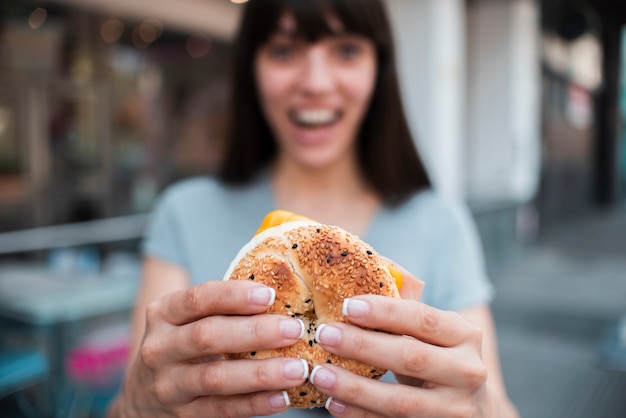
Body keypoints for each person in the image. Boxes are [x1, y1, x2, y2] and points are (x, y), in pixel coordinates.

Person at [107, 0, 519, 416]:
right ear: (251, 68)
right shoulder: (185, 213)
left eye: (346, 50)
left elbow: (496, 400)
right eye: (285, 51)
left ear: (379, 68)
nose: (316, 83)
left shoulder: (440, 223)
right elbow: (130, 401)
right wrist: (141, 407)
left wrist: (479, 409)